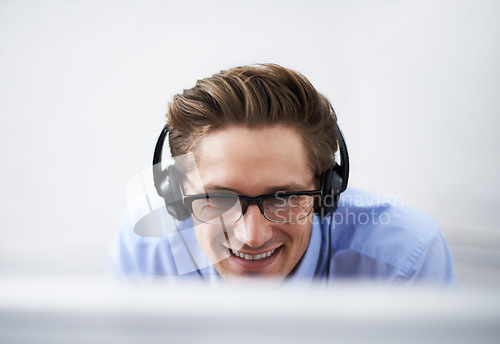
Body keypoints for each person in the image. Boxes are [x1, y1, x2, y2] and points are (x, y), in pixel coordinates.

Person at [109, 63, 458, 286]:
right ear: (177, 195)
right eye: (218, 198)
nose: (253, 236)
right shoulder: (146, 246)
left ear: (325, 192)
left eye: (284, 198)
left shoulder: (406, 258)